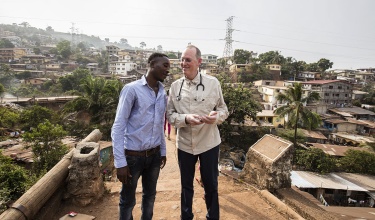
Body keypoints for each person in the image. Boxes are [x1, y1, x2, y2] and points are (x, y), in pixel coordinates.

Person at [167, 45, 229, 220]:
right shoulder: (174, 87)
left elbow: (223, 110)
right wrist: (185, 119)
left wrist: (216, 117)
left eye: (188, 60)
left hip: (208, 142)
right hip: (185, 144)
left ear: (199, 62)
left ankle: (212, 216)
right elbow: (170, 115)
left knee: (211, 185)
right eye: (182, 60)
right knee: (186, 185)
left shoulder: (213, 83)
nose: (183, 63)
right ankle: (186, 217)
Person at [111, 52, 170, 220]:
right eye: (164, 65)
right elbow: (118, 126)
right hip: (133, 157)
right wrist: (120, 162)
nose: (167, 70)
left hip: (154, 156)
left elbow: (159, 124)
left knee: (150, 196)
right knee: (127, 201)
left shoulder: (161, 93)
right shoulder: (131, 89)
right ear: (152, 64)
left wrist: (163, 151)